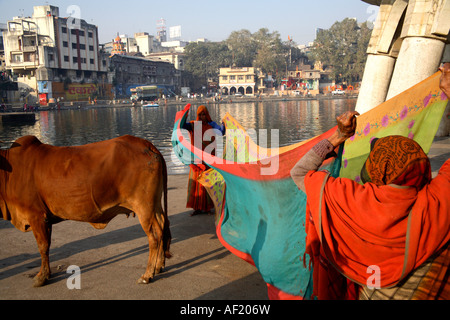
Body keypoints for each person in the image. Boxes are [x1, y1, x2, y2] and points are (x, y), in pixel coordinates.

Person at [290, 63, 450, 300]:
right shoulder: (437, 203)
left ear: (375, 169)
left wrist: (338, 136)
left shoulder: (349, 198)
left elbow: (300, 172)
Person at [183, 105, 226, 216]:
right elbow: (182, 125)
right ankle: (197, 208)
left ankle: (208, 208)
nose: (202, 117)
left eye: (204, 114)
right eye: (200, 115)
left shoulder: (212, 125)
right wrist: (184, 115)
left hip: (208, 160)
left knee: (207, 183)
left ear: (207, 115)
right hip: (197, 161)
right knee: (196, 183)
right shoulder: (193, 125)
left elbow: (221, 132)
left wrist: (224, 123)